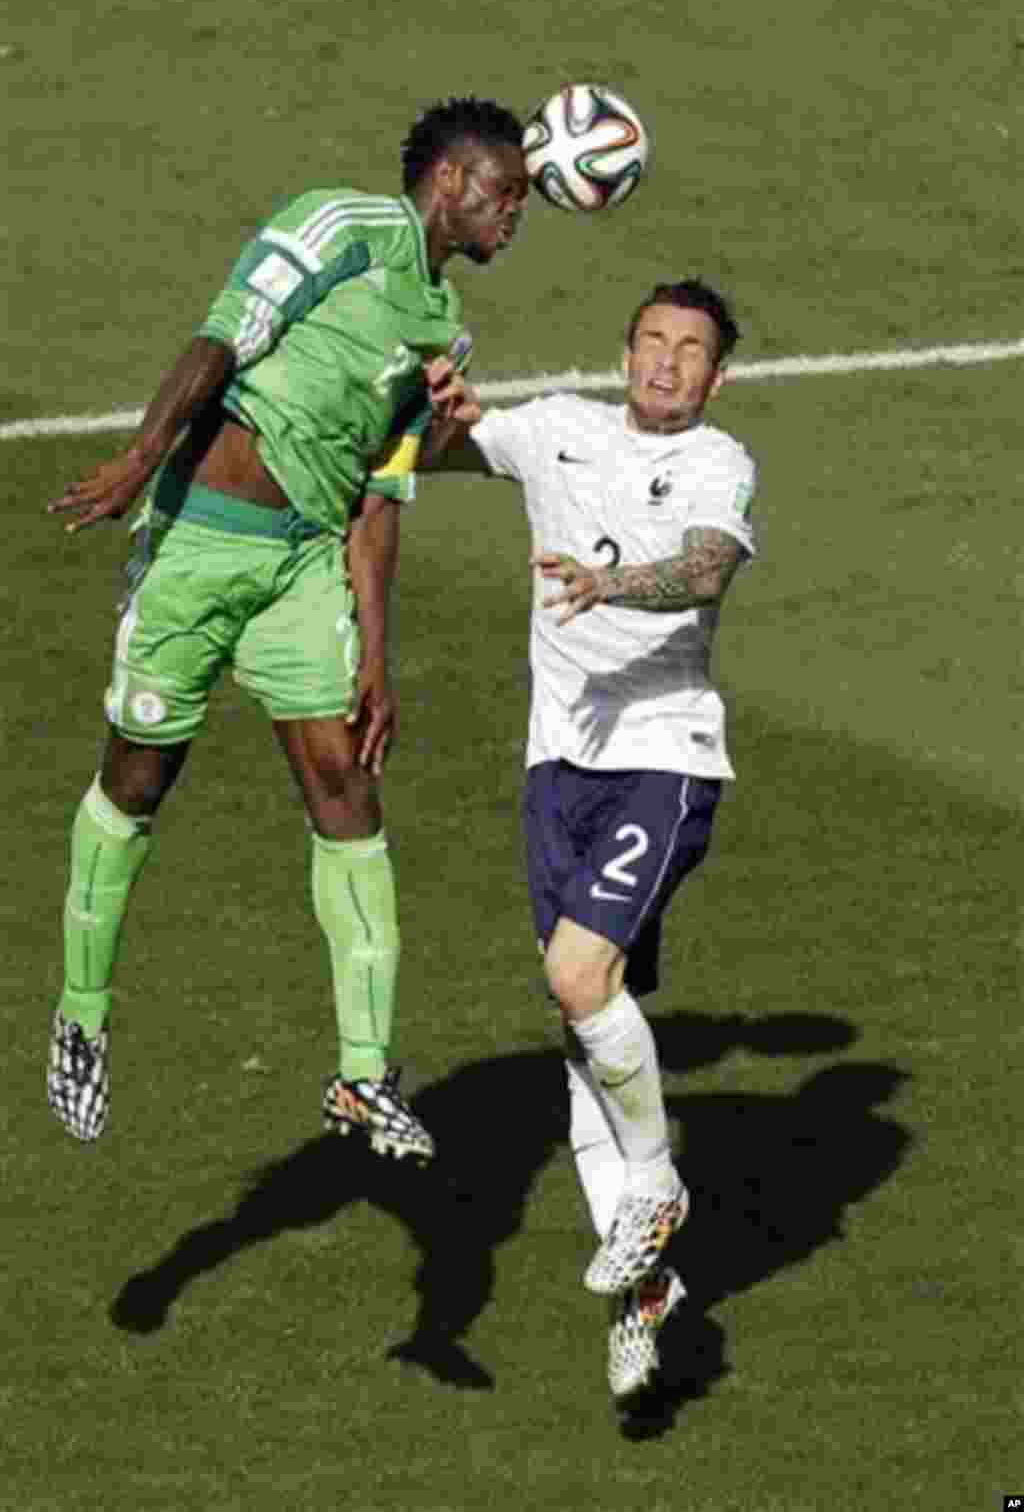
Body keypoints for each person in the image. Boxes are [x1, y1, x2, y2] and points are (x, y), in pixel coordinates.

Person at [45, 97, 529, 1162]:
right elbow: (223, 337)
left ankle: (364, 1075)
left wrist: (377, 656)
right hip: (200, 543)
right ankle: (80, 1017)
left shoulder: (444, 331)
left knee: (346, 788)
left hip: (304, 566)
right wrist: (140, 458)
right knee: (137, 782)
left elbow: (379, 496)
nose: (514, 216)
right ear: (449, 180)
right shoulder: (339, 225)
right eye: (505, 194)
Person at [422, 279, 757, 1400]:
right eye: (652, 341)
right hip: (555, 768)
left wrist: (610, 583)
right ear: (624, 353)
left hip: (663, 756)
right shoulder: (557, 427)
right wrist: (432, 408)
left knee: (576, 976)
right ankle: (643, 1292)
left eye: (691, 350)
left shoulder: (716, 461)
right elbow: (435, 453)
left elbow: (708, 565)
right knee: (587, 1023)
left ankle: (654, 1186)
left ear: (716, 377)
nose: (666, 362)